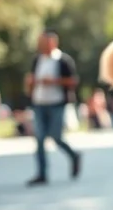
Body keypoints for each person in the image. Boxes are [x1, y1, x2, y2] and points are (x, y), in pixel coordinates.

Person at [24, 30, 82, 187]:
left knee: (56, 137)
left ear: (53, 43)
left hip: (56, 103)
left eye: (44, 42)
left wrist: (55, 81)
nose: (42, 45)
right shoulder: (37, 60)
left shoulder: (63, 60)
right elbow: (32, 79)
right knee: (40, 138)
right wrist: (30, 84)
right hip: (39, 103)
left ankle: (74, 155)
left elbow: (73, 81)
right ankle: (42, 174)